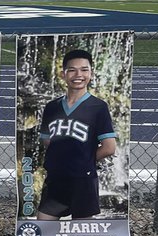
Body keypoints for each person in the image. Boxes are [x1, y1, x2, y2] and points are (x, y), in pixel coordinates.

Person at [36, 49, 117, 221]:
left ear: (91, 74)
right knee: (42, 229)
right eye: (72, 70)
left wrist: (84, 159)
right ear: (63, 74)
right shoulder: (52, 107)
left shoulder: (98, 107)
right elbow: (46, 140)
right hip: (56, 178)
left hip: (83, 180)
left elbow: (109, 147)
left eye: (84, 70)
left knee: (82, 234)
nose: (78, 74)